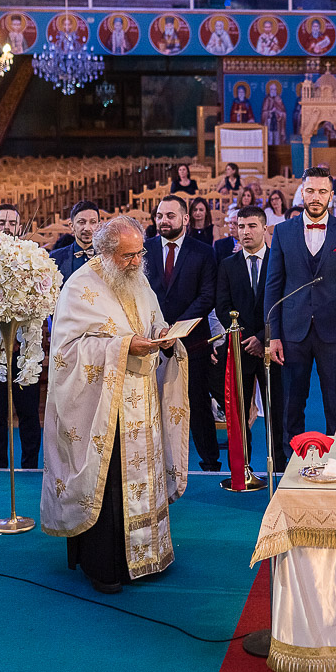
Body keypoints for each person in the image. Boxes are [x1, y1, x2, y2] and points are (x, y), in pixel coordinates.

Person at [41, 215, 191, 595]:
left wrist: (163, 337)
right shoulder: (80, 288)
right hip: (103, 410)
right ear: (105, 253)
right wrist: (124, 346)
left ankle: (147, 555)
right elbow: (66, 353)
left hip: (142, 401)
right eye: (127, 256)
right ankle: (104, 566)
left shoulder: (138, 281)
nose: (136, 262)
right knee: (108, 488)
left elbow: (153, 322)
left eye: (139, 253)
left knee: (142, 481)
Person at [266, 167, 336, 438]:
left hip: (334, 332)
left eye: (322, 191)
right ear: (302, 192)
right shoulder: (282, 232)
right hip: (292, 331)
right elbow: (273, 286)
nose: (315, 196)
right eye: (310, 190)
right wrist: (272, 335)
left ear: (331, 196)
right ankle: (291, 465)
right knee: (291, 404)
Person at [144, 195, 219, 471]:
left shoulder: (203, 252)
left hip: (192, 342)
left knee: (198, 403)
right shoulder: (144, 249)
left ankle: (210, 463)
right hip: (152, 339)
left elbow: (207, 296)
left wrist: (177, 329)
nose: (164, 221)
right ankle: (154, 463)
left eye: (170, 216)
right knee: (152, 404)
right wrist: (159, 327)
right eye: (160, 215)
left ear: (185, 219)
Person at [215, 206, 286, 468]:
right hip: (241, 349)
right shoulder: (227, 265)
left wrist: (262, 338)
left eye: (252, 226)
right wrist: (247, 338)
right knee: (240, 411)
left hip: (273, 347)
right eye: (241, 226)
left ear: (265, 228)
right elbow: (222, 308)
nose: (246, 231)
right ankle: (242, 468)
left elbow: (282, 305)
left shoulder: (279, 262)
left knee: (275, 410)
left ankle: (278, 464)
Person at [0, 205, 42, 470]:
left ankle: (29, 468)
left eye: (12, 222)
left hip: (25, 348)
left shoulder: (35, 259)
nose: (6, 226)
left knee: (28, 414)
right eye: (0, 221)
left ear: (19, 226)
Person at [51, 200, 100, 281]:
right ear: (72, 226)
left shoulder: (107, 258)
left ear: (98, 226)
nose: (87, 228)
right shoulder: (55, 258)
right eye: (81, 222)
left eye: (93, 222)